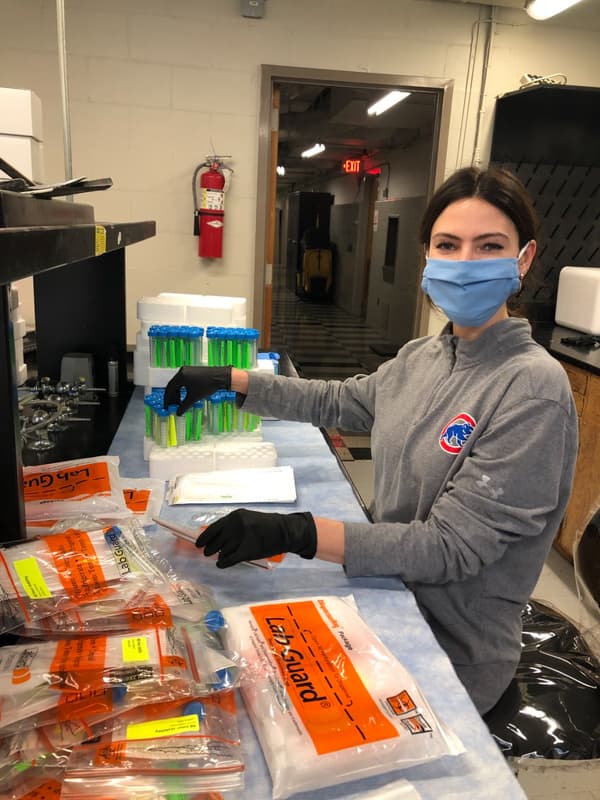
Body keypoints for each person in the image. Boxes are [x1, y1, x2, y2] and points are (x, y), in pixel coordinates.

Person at [163, 166, 578, 716]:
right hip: (386, 597)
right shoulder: (424, 356)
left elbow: (449, 548)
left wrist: (297, 531)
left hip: (449, 650)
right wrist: (231, 382)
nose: (465, 264)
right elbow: (337, 401)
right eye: (448, 245)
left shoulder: (532, 390)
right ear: (427, 256)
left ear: (522, 260)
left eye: (489, 247)